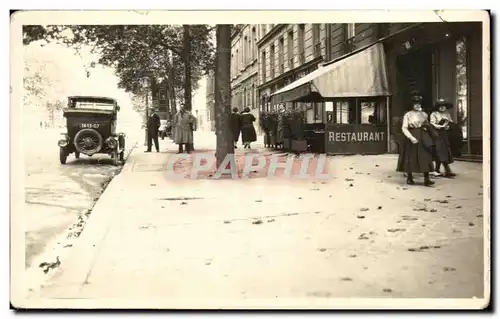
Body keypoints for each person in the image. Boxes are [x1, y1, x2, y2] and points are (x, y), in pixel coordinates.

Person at [396, 94, 435, 186]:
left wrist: (426, 128)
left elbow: (427, 124)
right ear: (412, 105)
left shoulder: (424, 114)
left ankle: (427, 178)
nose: (417, 105)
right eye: (415, 104)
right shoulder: (408, 115)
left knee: (425, 156)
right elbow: (404, 128)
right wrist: (411, 137)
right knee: (411, 156)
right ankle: (409, 178)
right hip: (412, 135)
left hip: (423, 136)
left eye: (419, 104)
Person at [430, 98, 456, 178]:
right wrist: (441, 126)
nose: (442, 107)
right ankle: (446, 170)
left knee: (445, 151)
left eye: (444, 106)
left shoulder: (447, 114)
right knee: (440, 151)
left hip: (445, 134)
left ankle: (438, 169)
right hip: (437, 134)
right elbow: (432, 124)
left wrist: (448, 126)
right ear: (437, 107)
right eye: (440, 106)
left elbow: (450, 122)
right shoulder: (434, 114)